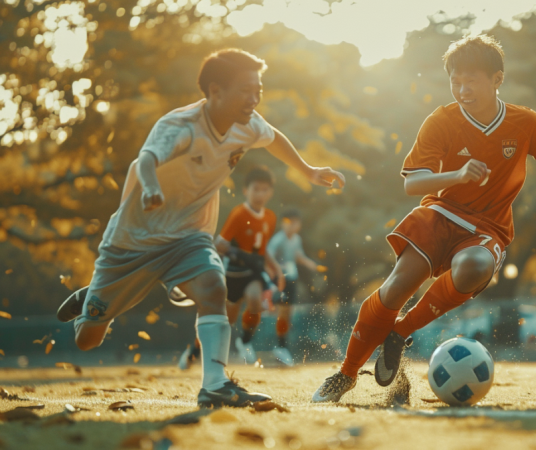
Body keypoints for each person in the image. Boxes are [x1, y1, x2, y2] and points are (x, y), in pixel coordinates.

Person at [54, 48, 345, 409]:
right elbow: (146, 159)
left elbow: (273, 138)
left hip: (189, 235)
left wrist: (309, 170)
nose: (254, 99)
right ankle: (91, 299)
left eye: (259, 90)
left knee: (212, 286)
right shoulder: (181, 126)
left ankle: (215, 385)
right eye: (245, 90)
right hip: (133, 241)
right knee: (87, 340)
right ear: (215, 91)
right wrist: (151, 188)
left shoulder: (247, 123)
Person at [312, 35, 536, 403]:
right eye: (455, 81)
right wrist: (458, 175)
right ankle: (345, 375)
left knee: (476, 265)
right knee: (396, 288)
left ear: (497, 79)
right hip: (439, 214)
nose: (461, 90)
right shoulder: (442, 120)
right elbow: (412, 184)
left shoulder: (524, 122)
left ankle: (399, 332)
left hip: (487, 228)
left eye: (471, 80)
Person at [178, 165, 284, 370]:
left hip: (252, 274)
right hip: (233, 273)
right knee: (223, 321)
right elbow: (219, 244)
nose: (260, 194)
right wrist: (241, 256)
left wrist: (276, 270)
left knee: (255, 300)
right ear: (246, 190)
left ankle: (244, 341)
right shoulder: (239, 213)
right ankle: (195, 350)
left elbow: (262, 249)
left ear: (270, 191)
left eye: (264, 190)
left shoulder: (270, 217)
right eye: (256, 189)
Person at [266, 209, 319, 365]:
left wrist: (311, 264)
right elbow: (267, 256)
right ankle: (281, 347)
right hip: (280, 279)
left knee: (288, 313)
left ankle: (282, 347)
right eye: (289, 222)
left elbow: (298, 256)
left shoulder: (296, 239)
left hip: (292, 279)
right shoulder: (278, 239)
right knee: (282, 312)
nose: (292, 225)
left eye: (295, 222)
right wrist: (271, 280)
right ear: (283, 223)